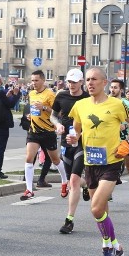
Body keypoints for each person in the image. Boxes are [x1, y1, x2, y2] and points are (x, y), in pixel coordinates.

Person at [67, 67, 129, 256]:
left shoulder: (118, 104)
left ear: (104, 82)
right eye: (87, 79)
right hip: (91, 163)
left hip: (112, 162)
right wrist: (74, 138)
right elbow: (77, 128)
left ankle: (106, 248)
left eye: (94, 79)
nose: (90, 83)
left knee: (96, 208)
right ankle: (114, 245)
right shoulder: (80, 105)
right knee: (101, 211)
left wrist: (128, 143)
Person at [20, 69, 68, 200]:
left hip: (48, 132)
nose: (34, 83)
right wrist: (30, 116)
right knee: (29, 158)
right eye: (32, 80)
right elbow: (33, 110)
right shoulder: (31, 93)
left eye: (36, 80)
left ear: (43, 80)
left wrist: (44, 108)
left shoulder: (50, 94)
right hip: (34, 131)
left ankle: (65, 181)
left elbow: (58, 113)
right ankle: (29, 190)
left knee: (55, 160)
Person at [52, 68, 89, 234]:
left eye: (75, 82)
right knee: (72, 180)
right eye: (69, 82)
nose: (72, 85)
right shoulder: (61, 96)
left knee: (73, 181)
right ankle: (86, 184)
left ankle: (69, 220)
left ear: (81, 82)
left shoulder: (88, 98)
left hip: (82, 142)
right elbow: (53, 115)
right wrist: (58, 125)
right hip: (66, 140)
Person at [110, 79, 129, 200]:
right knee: (110, 167)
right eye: (111, 87)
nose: (112, 90)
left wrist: (125, 126)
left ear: (121, 90)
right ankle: (108, 192)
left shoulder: (126, 104)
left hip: (124, 139)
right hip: (111, 140)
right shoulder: (106, 101)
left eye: (115, 87)